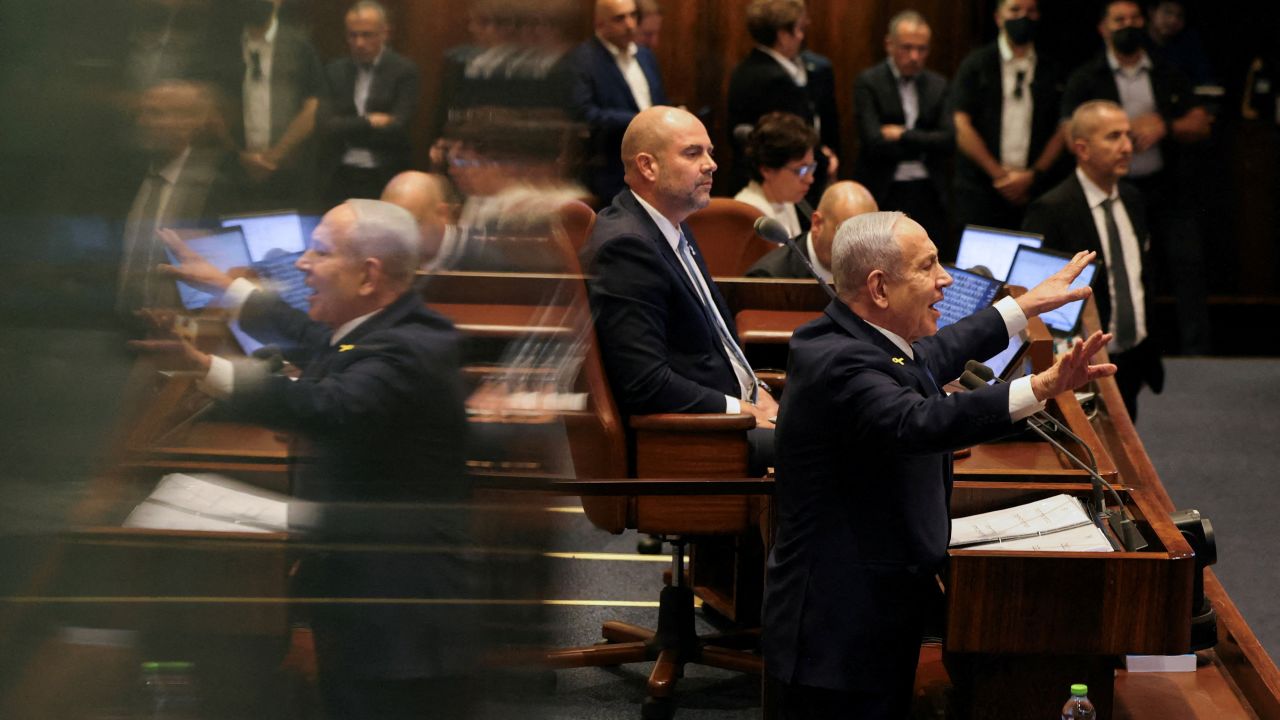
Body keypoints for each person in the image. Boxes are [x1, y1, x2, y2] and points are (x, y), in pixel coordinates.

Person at [762, 210, 1114, 719]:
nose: (945, 278)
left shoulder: (865, 340)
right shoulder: (839, 362)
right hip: (835, 630)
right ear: (879, 288)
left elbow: (935, 353)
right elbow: (918, 422)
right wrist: (1041, 386)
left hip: (871, 609)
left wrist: (1026, 304)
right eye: (927, 267)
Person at [153, 199, 472, 718]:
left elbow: (330, 405)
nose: (302, 263)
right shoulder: (380, 328)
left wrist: (206, 367)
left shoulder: (405, 351)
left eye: (320, 252)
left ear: (368, 276)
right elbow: (313, 337)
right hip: (373, 596)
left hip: (398, 622)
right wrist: (225, 285)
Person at [581, 105, 779, 440]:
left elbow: (712, 346)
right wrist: (740, 410)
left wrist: (757, 391)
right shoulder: (627, 247)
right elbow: (644, 383)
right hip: (698, 434)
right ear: (648, 166)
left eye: (710, 152)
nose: (711, 164)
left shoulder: (671, 224)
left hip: (734, 409)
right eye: (692, 153)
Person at [1061, 0, 1213, 354]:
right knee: (1123, 271)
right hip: (1111, 192)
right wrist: (1117, 134)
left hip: (1167, 188)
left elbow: (1201, 122)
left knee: (1187, 269)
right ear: (1103, 29)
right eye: (1119, 20)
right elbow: (1070, 134)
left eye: (1134, 19)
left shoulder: (1167, 71)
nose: (1128, 25)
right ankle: (1120, 347)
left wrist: (1165, 125)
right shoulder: (1086, 77)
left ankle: (1197, 355)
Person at [1023, 100, 1163, 419]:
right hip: (1082, 364)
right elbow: (1038, 297)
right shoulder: (1051, 209)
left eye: (1128, 135)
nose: (1127, 147)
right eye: (1114, 137)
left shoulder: (1133, 199)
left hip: (1133, 354)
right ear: (1082, 149)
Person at [117, 78, 241, 318]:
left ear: (191, 124)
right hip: (121, 324)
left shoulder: (218, 186)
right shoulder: (123, 177)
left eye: (156, 114)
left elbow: (228, 272)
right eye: (140, 113)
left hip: (185, 328)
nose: (142, 122)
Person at [951, 0, 1067, 235]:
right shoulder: (976, 64)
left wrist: (1032, 176)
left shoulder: (1052, 67)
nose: (1023, 16)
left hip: (1034, 190)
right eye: (1015, 10)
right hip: (982, 189)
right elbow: (961, 126)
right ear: (998, 17)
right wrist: (1001, 176)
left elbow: (1064, 127)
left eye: (1030, 11)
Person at [852, 10, 953, 250]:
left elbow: (948, 141)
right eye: (907, 48)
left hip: (929, 189)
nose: (914, 56)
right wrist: (925, 144)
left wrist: (902, 135)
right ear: (889, 44)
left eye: (922, 49)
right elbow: (874, 142)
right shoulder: (868, 82)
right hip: (885, 188)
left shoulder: (938, 84)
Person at [727, 0, 840, 203]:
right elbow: (792, 141)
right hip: (778, 186)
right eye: (799, 29)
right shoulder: (774, 80)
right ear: (782, 35)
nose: (802, 36)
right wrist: (825, 161)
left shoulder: (747, 67)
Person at [560, 0, 668, 205]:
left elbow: (658, 101)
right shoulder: (580, 61)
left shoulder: (645, 56)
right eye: (620, 18)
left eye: (633, 15)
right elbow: (584, 114)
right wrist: (641, 121)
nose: (630, 24)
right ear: (600, 23)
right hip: (610, 170)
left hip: (652, 167)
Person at [223, 0, 325, 210]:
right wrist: (240, 156)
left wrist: (274, 156)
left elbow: (313, 106)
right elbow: (212, 104)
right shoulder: (225, 45)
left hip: (289, 172)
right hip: (234, 173)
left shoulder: (299, 45)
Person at [319, 1, 421, 205]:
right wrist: (369, 122)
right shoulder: (334, 71)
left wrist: (346, 126)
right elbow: (325, 125)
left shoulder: (404, 71)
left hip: (383, 173)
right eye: (353, 35)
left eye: (367, 35)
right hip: (339, 171)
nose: (359, 43)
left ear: (385, 33)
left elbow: (398, 127)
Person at [746, 180, 878, 281]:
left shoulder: (876, 269)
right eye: (848, 234)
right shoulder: (769, 277)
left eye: (866, 237)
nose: (858, 249)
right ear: (817, 224)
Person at [734, 112, 821, 239]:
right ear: (767, 170)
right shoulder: (747, 213)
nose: (810, 179)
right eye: (801, 170)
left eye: (811, 167)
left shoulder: (784, 199)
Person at [380, 170, 455, 269]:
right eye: (393, 227)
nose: (402, 238)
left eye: (412, 225)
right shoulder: (384, 260)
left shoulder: (472, 258)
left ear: (443, 214)